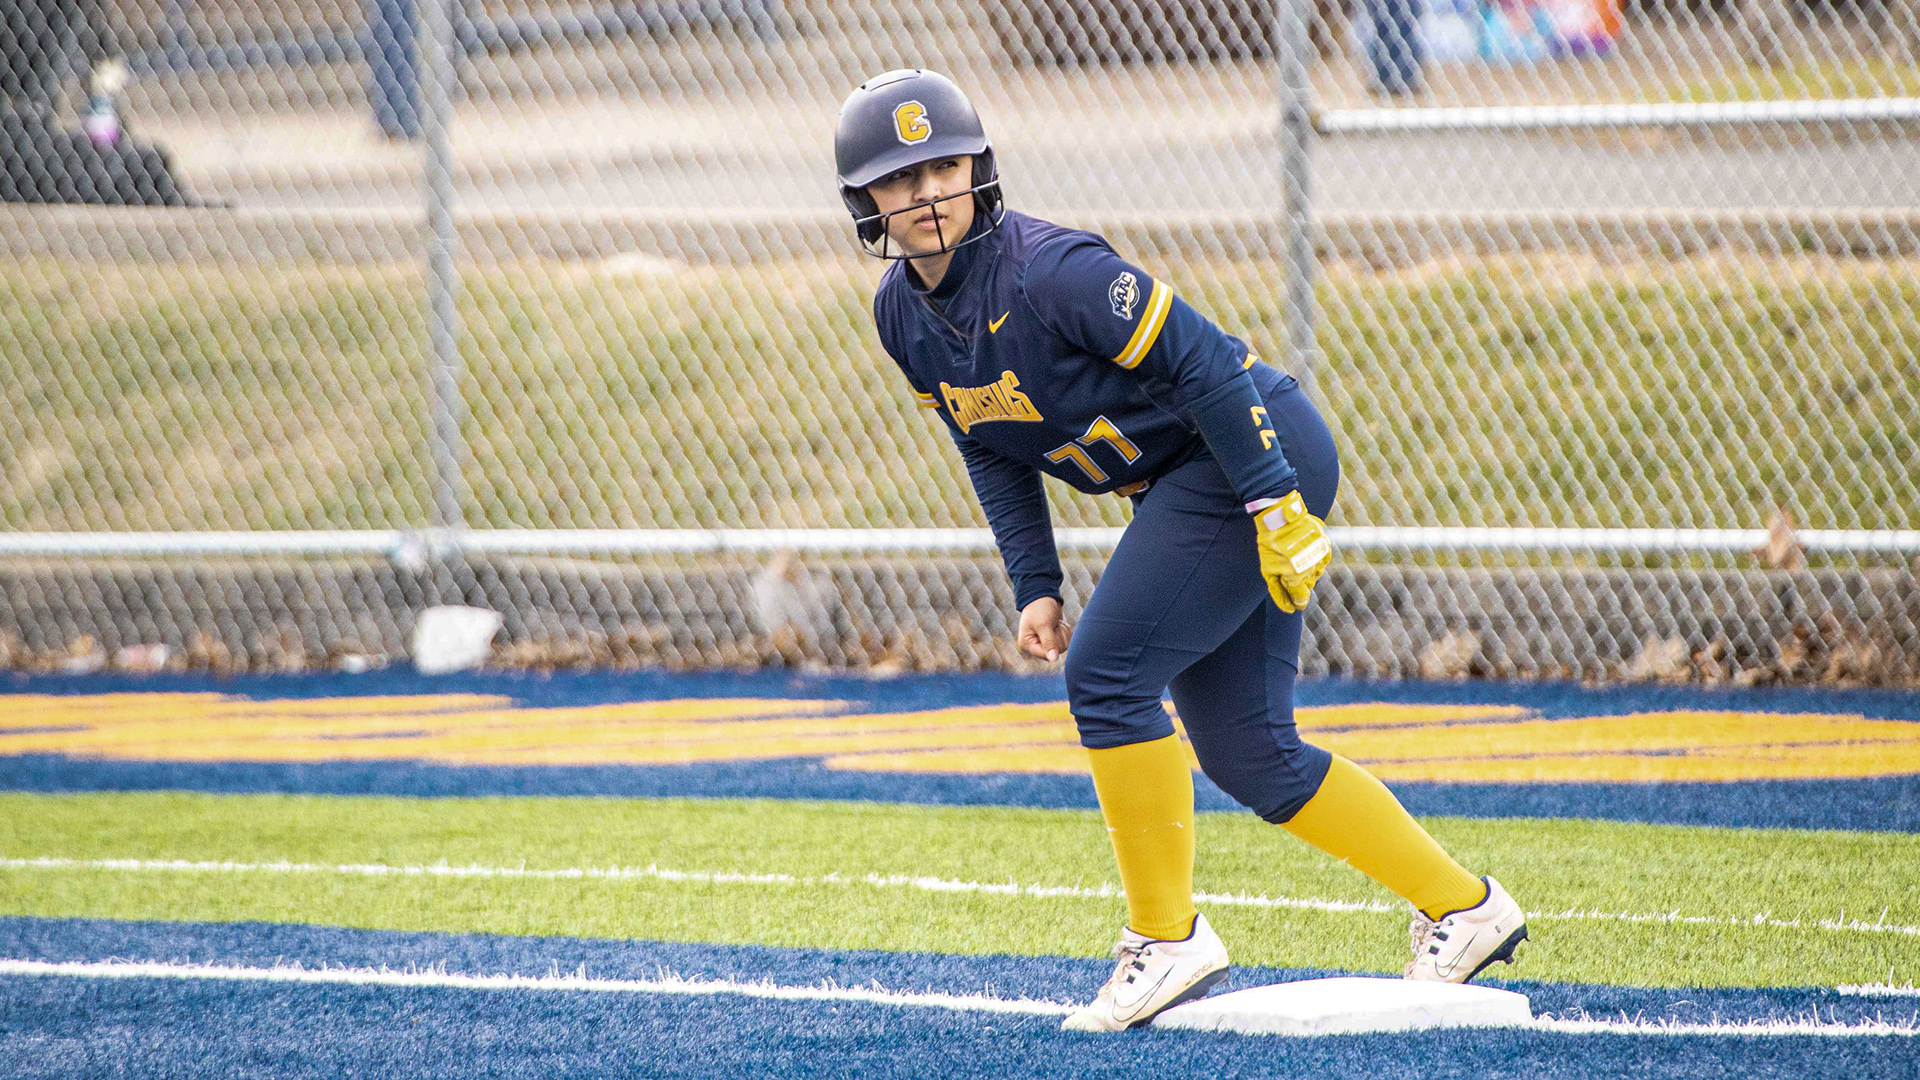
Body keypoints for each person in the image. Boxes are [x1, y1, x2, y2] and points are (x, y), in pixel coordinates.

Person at [834, 69, 1526, 1032]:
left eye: (943, 167)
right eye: (899, 180)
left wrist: (1273, 497)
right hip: (1189, 484)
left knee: (1107, 678)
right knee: (1252, 754)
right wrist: (1036, 581)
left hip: (1244, 452)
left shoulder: (1053, 271)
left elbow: (1203, 361)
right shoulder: (899, 314)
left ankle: (1167, 938)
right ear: (864, 202)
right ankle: (1468, 909)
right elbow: (984, 440)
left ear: (980, 170)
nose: (927, 195)